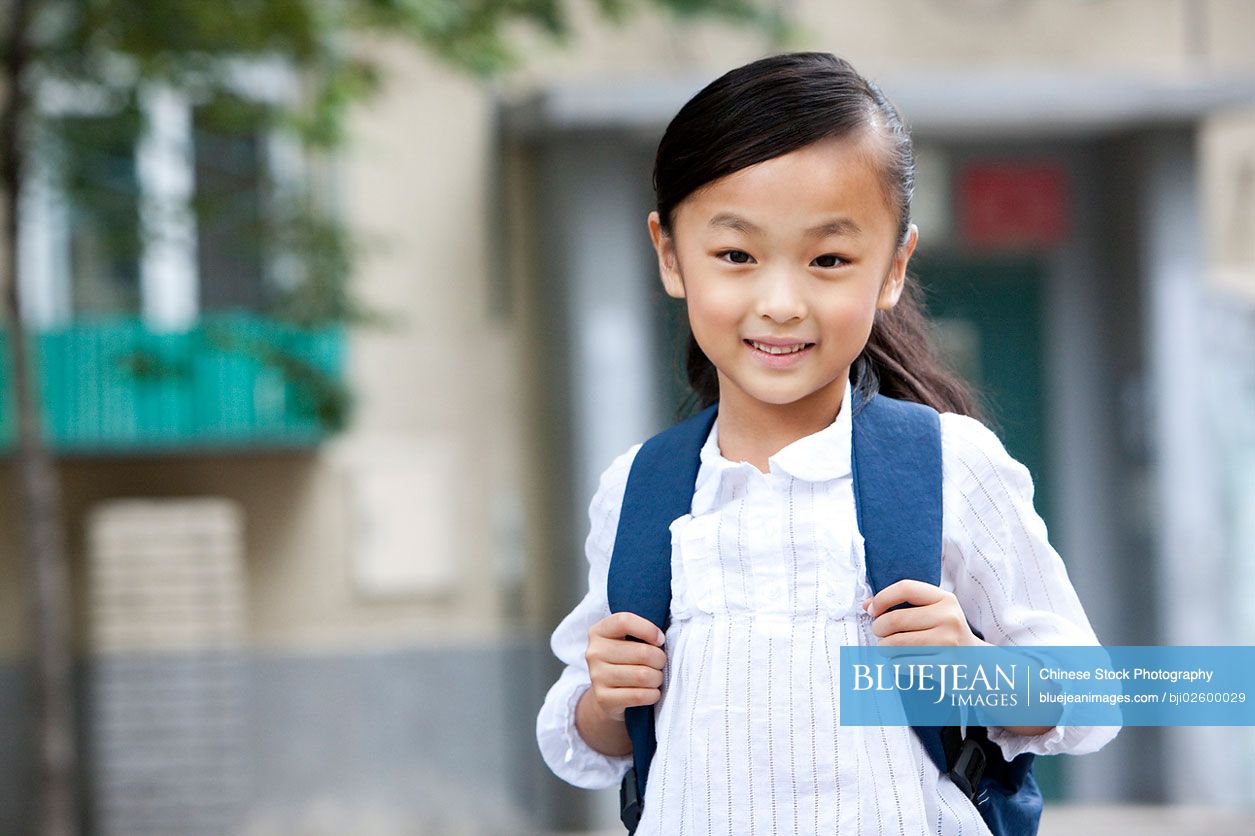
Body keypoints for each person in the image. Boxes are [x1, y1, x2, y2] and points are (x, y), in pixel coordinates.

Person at [535, 51, 1117, 834]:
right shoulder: (640, 489)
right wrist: (607, 697)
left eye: (829, 259)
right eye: (735, 255)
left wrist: (973, 669)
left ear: (893, 268)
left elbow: (1087, 697)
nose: (780, 302)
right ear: (670, 254)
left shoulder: (950, 465)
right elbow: (586, 736)